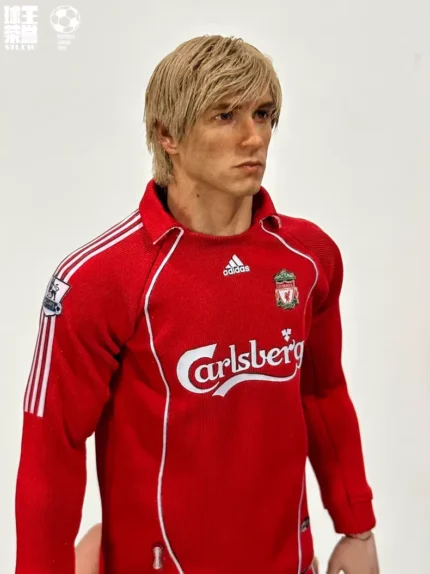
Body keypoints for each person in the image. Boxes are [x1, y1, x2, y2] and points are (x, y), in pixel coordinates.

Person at [15, 34, 379, 573]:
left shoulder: (308, 257)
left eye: (263, 114)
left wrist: (356, 526)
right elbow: (52, 448)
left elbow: (323, 392)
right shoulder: (99, 279)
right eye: (225, 116)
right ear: (168, 134)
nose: (254, 137)